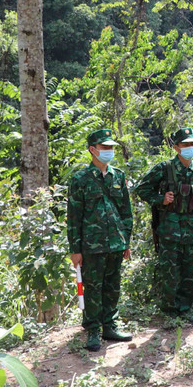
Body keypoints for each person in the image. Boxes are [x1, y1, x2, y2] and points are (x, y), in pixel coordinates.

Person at [67, 129, 134, 351]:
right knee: (93, 288)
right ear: (92, 150)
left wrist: (126, 240)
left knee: (112, 286)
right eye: (105, 148)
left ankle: (110, 326)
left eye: (111, 148)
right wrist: (75, 249)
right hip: (91, 245)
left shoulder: (118, 176)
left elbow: (126, 211)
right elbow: (74, 217)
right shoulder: (80, 179)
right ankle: (93, 330)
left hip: (116, 242)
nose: (109, 151)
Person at [134, 127, 193, 324]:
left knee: (190, 273)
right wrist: (161, 199)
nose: (190, 147)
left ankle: (185, 310)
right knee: (170, 273)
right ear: (176, 147)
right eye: (185, 144)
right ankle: (170, 313)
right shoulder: (164, 168)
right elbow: (141, 189)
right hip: (170, 230)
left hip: (192, 229)